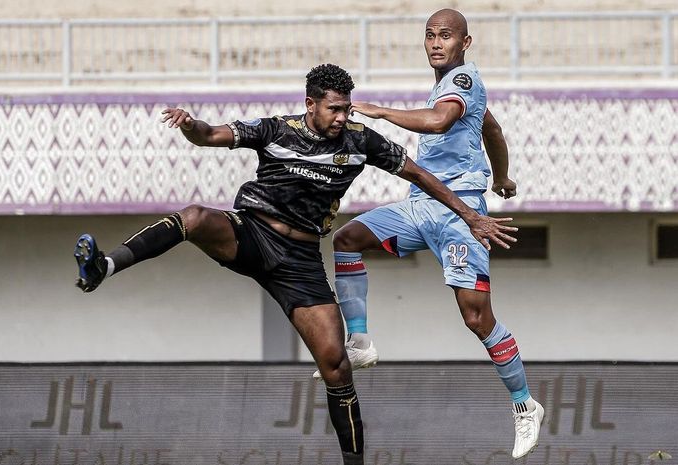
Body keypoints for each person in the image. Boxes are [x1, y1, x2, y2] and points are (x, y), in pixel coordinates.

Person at [73, 63, 517, 465]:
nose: (343, 118)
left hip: (300, 262)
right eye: (334, 109)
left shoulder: (362, 142)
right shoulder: (275, 130)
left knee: (336, 364)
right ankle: (104, 268)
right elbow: (210, 136)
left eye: (346, 109)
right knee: (194, 217)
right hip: (251, 234)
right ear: (310, 104)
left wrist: (471, 215)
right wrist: (191, 125)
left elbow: (420, 175)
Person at [316, 10, 544, 459]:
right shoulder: (451, 85)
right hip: (423, 205)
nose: (437, 43)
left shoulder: (462, 81)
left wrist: (380, 111)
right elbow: (492, 129)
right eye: (430, 35)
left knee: (477, 318)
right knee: (347, 239)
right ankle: (359, 341)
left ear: (465, 42)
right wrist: (503, 176)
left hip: (460, 214)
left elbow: (439, 122)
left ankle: (524, 404)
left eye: (446, 36)